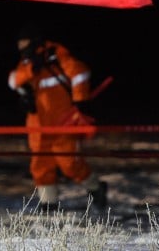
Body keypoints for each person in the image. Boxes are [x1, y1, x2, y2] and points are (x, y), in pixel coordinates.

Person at [8, 24, 106, 210]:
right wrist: (31, 71)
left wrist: (80, 100)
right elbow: (13, 80)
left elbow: (80, 73)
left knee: (69, 163)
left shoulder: (56, 55)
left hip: (64, 121)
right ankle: (49, 204)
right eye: (19, 43)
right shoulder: (27, 62)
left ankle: (96, 187)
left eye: (24, 42)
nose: (21, 47)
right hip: (37, 124)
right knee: (40, 165)